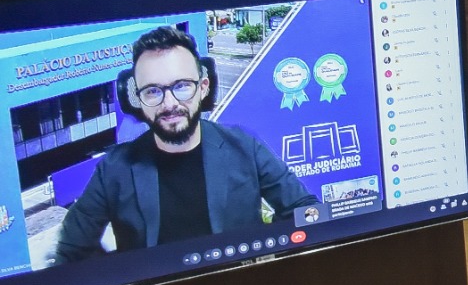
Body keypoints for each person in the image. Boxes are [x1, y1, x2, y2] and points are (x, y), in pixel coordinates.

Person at [52, 26, 316, 263]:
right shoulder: (113, 169)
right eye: (153, 91)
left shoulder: (244, 146)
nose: (169, 104)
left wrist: (269, 250)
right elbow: (70, 252)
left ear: (203, 88)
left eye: (181, 86)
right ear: (136, 99)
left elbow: (306, 210)